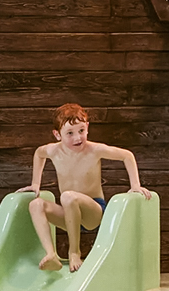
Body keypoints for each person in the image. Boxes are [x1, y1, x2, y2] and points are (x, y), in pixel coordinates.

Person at [22, 103, 151, 272]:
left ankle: (74, 252)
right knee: (36, 205)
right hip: (70, 215)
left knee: (68, 196)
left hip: (94, 212)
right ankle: (51, 254)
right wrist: (35, 184)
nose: (77, 138)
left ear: (87, 127)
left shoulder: (94, 150)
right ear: (57, 134)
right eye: (70, 133)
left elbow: (127, 156)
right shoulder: (52, 151)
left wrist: (135, 185)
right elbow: (39, 154)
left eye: (81, 131)